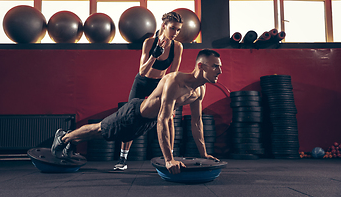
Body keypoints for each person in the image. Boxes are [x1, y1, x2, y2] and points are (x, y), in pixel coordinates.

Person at [51, 49, 222, 175]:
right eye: (215, 67)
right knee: (100, 130)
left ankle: (69, 139)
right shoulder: (174, 81)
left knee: (103, 134)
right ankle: (63, 137)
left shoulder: (200, 91)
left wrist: (203, 154)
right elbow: (163, 119)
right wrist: (169, 159)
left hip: (147, 122)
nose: (220, 71)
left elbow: (197, 122)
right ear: (201, 66)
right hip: (133, 114)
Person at [115, 11, 184, 170]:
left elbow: (172, 75)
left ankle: (170, 157)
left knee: (169, 118)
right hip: (142, 82)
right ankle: (122, 159)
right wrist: (154, 55)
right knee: (130, 118)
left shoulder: (178, 47)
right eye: (173, 28)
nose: (175, 33)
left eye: (178, 29)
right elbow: (142, 71)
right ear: (164, 26)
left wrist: (171, 97)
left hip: (159, 84)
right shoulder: (149, 42)